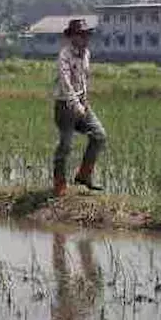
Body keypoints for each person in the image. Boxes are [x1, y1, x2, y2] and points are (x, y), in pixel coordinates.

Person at [53, 18, 106, 196]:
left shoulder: (87, 54)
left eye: (86, 34)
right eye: (81, 34)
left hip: (82, 103)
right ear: (72, 37)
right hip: (65, 105)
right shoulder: (64, 56)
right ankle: (59, 183)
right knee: (66, 145)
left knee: (99, 135)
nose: (85, 38)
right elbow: (66, 83)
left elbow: (84, 79)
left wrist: (85, 101)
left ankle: (84, 175)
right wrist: (76, 105)